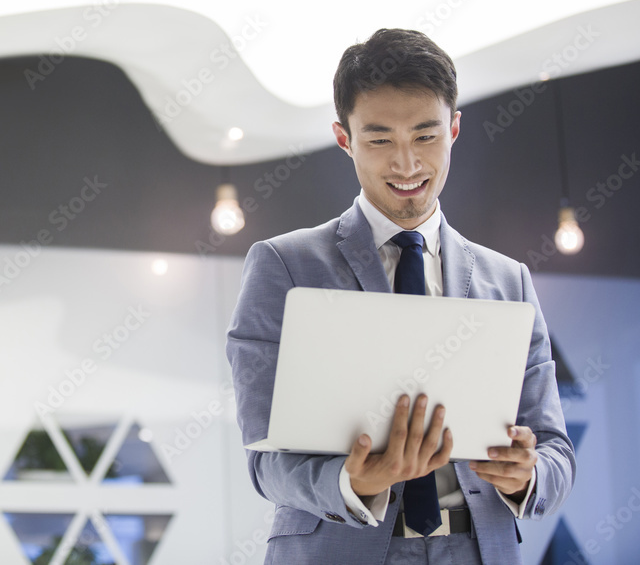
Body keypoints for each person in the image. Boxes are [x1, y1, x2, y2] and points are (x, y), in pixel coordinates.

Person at [226, 28, 575, 564]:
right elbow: (264, 461)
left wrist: (528, 473)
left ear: (455, 129)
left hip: (478, 550)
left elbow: (555, 450)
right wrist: (352, 479)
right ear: (345, 139)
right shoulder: (284, 266)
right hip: (343, 547)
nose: (407, 165)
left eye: (426, 136)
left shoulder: (508, 281)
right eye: (381, 139)